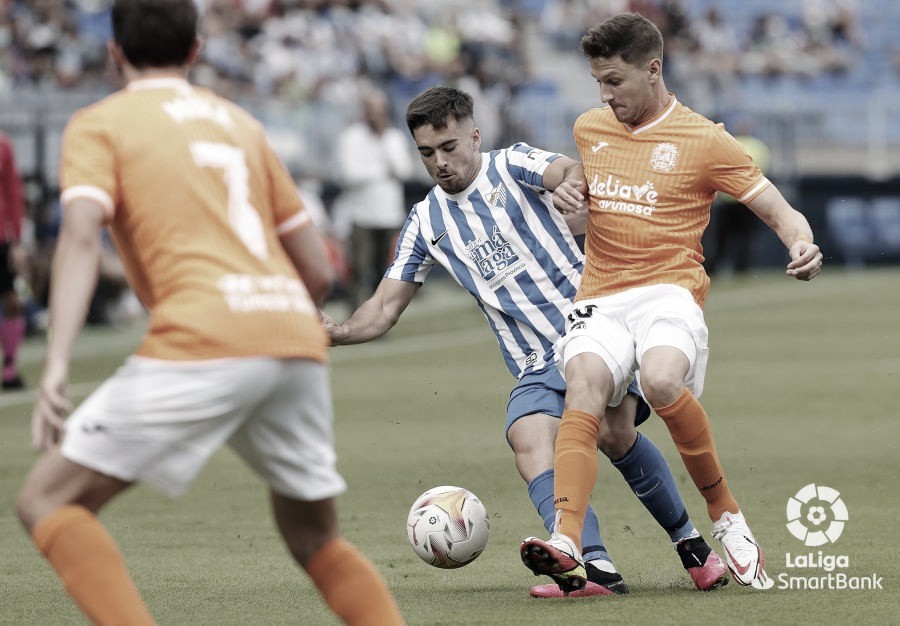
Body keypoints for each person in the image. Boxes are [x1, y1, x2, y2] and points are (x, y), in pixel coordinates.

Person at [14, 2, 404, 625]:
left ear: (114, 52)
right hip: (290, 334)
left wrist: (56, 363)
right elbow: (320, 271)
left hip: (204, 335)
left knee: (46, 499)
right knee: (317, 540)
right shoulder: (239, 124)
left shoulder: (99, 124)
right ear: (197, 50)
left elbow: (81, 236)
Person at [322, 86, 729, 599]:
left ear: (474, 136)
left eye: (449, 147)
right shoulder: (426, 222)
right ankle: (591, 566)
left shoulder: (512, 164)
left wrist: (569, 188)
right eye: (427, 153)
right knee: (528, 436)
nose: (440, 163)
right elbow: (382, 309)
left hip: (596, 328)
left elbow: (565, 170)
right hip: (535, 360)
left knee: (613, 434)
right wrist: (334, 334)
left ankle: (691, 545)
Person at [520, 13, 823, 593]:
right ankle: (567, 538)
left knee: (660, 383)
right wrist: (572, 203)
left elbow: (780, 212)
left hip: (669, 290)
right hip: (602, 294)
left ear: (653, 70)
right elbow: (590, 211)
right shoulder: (591, 128)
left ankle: (727, 517)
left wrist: (802, 244)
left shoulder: (705, 139)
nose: (606, 96)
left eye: (615, 82)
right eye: (599, 84)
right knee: (583, 386)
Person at [332, 86, 414, 309]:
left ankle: (378, 316)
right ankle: (357, 315)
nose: (376, 114)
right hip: (361, 215)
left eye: (380, 109)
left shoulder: (393, 137)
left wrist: (381, 157)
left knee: (383, 271)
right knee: (359, 267)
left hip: (388, 214)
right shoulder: (351, 137)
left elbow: (404, 169)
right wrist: (382, 170)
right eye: (371, 109)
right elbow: (350, 174)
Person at [703, 130, 772, 276]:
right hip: (747, 198)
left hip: (731, 198)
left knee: (726, 237)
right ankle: (739, 267)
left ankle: (722, 267)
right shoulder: (755, 145)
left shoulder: (729, 141)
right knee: (741, 237)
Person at [0, 130, 28, 389]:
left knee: (12, 302)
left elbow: (13, 193)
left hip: (1, 240)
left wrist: (17, 240)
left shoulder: (3, 144)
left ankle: (10, 368)